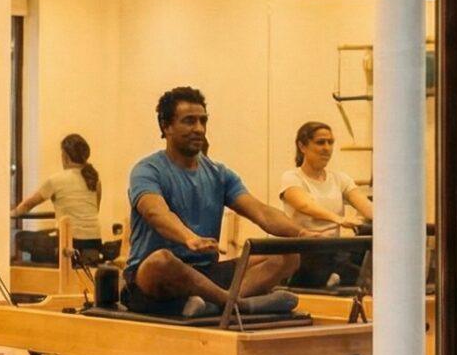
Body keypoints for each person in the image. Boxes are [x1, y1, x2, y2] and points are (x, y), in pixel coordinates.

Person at [121, 86, 315, 317]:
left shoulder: (219, 174)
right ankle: (237, 303)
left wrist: (302, 234)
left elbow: (261, 212)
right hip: (154, 280)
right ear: (166, 126)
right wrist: (188, 237)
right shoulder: (147, 170)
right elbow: (155, 212)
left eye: (203, 121)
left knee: (288, 253)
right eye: (189, 121)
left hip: (207, 274)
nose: (199, 129)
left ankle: (217, 303)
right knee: (161, 261)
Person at [279, 122, 371, 290]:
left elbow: (366, 207)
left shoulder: (341, 179)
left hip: (333, 251)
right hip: (307, 251)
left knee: (368, 235)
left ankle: (338, 277)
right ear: (302, 146)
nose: (327, 148)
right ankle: (334, 277)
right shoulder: (291, 177)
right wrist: (339, 219)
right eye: (320, 142)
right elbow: (305, 205)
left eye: (331, 142)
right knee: (326, 253)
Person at [13, 134, 106, 266]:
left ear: (65, 156)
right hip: (95, 243)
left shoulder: (56, 180)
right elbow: (95, 209)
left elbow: (28, 205)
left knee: (21, 237)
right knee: (47, 235)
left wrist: (12, 213)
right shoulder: (95, 180)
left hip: (68, 245)